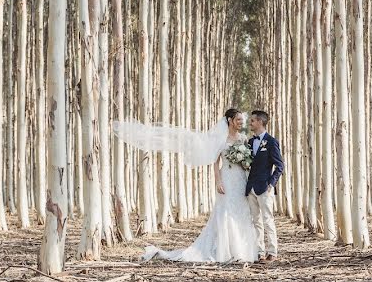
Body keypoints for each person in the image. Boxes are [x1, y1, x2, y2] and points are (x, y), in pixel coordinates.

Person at [113, 109, 259, 263]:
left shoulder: (243, 138)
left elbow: (247, 160)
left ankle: (243, 249)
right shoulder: (221, 139)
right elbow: (215, 163)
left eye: (242, 121)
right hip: (227, 179)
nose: (241, 123)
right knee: (226, 212)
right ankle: (226, 250)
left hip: (240, 179)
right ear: (230, 120)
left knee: (241, 212)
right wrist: (218, 181)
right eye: (238, 120)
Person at [245, 110, 284, 262]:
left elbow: (279, 165)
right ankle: (259, 252)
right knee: (256, 221)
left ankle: (272, 251)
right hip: (251, 188)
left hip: (265, 187)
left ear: (260, 122)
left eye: (253, 121)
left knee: (268, 219)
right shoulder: (249, 142)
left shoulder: (271, 141)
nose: (250, 123)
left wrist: (271, 183)